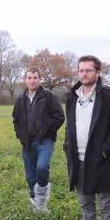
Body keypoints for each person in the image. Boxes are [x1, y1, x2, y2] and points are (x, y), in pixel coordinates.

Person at [62, 56, 110, 220]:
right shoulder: (72, 96)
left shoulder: (109, 96)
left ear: (98, 72)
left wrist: (105, 150)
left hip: (100, 159)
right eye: (80, 70)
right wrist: (67, 145)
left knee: (105, 202)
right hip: (78, 159)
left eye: (88, 70)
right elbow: (70, 124)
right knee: (85, 200)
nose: (84, 74)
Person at [12, 67, 65, 212]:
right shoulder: (20, 99)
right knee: (30, 177)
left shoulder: (49, 97)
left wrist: (46, 130)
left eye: (35, 77)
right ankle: (36, 205)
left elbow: (60, 117)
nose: (32, 80)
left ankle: (42, 201)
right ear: (25, 80)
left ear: (39, 79)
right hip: (27, 143)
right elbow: (15, 119)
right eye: (29, 78)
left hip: (45, 141)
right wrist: (19, 135)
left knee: (41, 168)